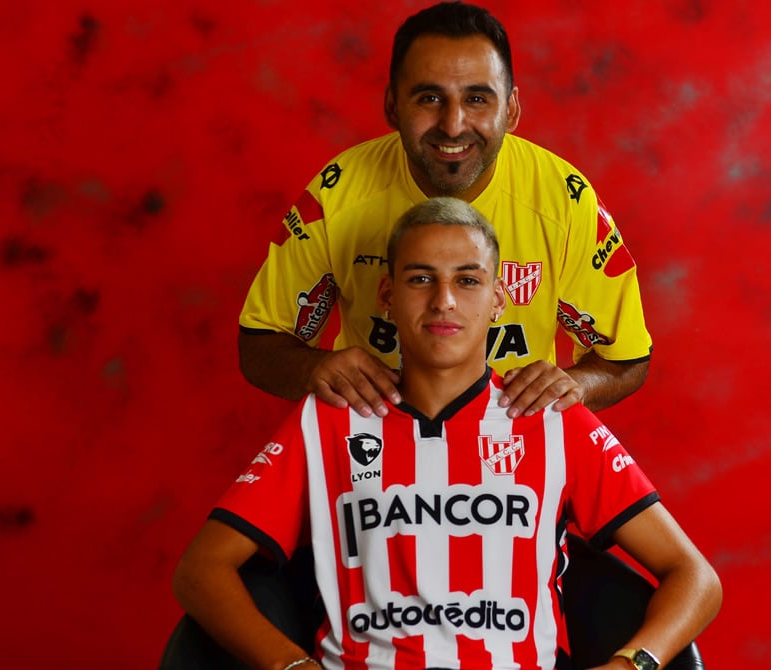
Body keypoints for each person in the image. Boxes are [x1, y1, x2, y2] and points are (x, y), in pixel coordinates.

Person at [174, 198, 721, 670]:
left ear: (499, 298)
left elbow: (695, 577)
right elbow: (201, 572)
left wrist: (632, 662)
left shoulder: (552, 419)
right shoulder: (331, 419)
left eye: (467, 279)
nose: (443, 301)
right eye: (420, 279)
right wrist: (288, 663)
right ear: (387, 294)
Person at [237, 1, 652, 421]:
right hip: (374, 448)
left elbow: (627, 358)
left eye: (476, 98)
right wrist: (314, 369)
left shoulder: (564, 200)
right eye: (429, 97)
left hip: (511, 451)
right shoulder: (338, 193)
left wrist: (575, 386)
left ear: (510, 110)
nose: (453, 125)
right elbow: (259, 344)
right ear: (393, 106)